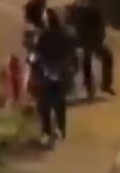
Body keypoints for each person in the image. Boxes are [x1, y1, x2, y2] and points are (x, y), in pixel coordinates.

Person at [29, 8, 76, 146]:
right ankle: (60, 129)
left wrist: (32, 61)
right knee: (59, 103)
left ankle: (47, 132)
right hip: (61, 74)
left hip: (49, 74)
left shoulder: (44, 36)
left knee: (45, 104)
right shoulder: (67, 35)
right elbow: (72, 55)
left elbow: (36, 54)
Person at [66, 0, 114, 99]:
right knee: (98, 58)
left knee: (88, 61)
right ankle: (102, 86)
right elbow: (100, 30)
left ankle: (92, 87)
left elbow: (70, 23)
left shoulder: (80, 10)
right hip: (89, 40)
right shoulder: (94, 12)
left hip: (85, 40)